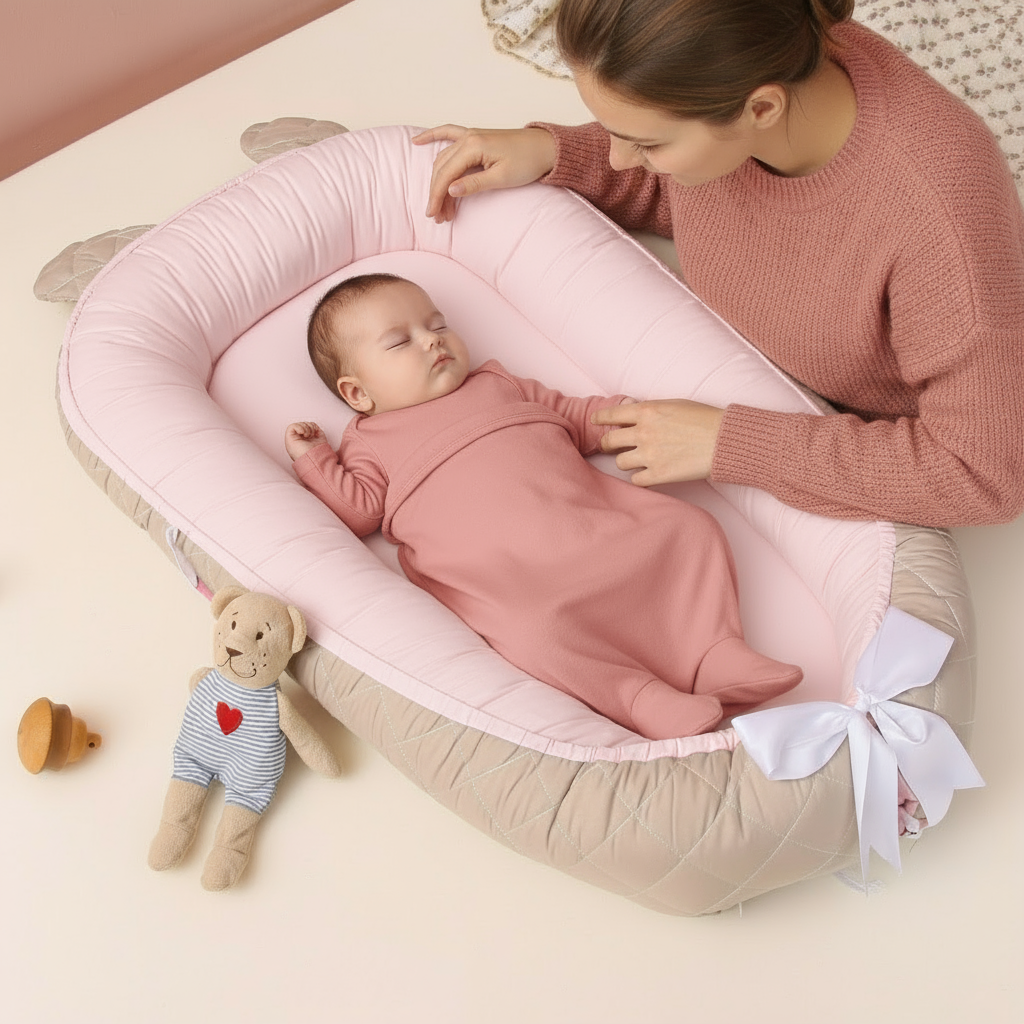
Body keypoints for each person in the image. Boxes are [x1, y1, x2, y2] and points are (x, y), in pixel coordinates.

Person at [412, 0, 1024, 528]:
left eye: (647, 144)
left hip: (876, 445)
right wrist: (559, 151)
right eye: (613, 131)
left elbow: (984, 472)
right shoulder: (755, 74)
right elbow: (705, 202)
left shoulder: (940, 223)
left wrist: (729, 443)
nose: (622, 159)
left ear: (760, 110)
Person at [285, 273, 802, 740]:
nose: (432, 340)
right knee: (532, 638)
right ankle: (639, 698)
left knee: (689, 528)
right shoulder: (371, 441)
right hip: (510, 582)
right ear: (357, 393)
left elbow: (573, 416)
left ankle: (716, 653)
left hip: (595, 527)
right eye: (400, 341)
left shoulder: (497, 384)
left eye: (436, 324)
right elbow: (358, 511)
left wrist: (625, 415)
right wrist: (315, 459)